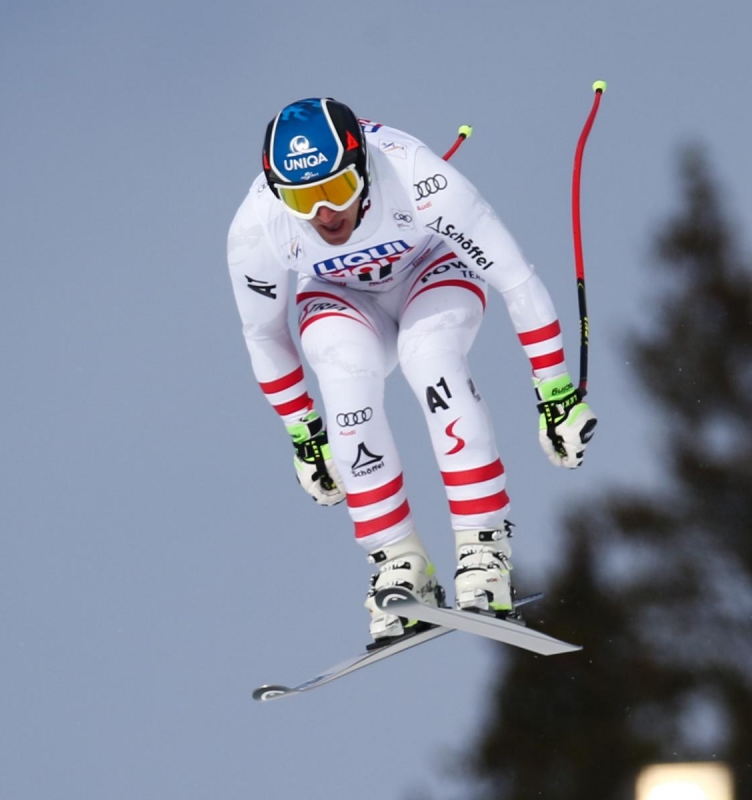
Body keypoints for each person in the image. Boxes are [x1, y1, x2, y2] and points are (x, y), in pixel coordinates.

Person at [227, 97, 596, 644]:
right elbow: (263, 333)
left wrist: (556, 391)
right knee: (344, 380)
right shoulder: (259, 224)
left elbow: (516, 279)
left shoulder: (419, 176)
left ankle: (482, 550)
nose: (323, 214)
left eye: (335, 190)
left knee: (431, 360)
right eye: (303, 198)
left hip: (431, 269)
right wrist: (305, 433)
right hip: (340, 296)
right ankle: (399, 564)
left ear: (362, 168)